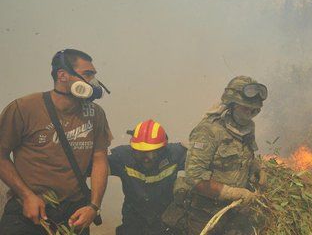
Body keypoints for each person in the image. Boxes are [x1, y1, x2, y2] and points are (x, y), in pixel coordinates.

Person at [0, 49, 113, 234]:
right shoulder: (24, 108)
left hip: (74, 214)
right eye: (87, 74)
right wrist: (26, 196)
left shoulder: (96, 114)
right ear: (62, 75)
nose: (93, 81)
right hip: (29, 210)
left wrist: (93, 206)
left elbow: (100, 158)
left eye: (93, 75)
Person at [173, 76, 267, 235]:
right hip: (205, 215)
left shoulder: (248, 128)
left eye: (255, 110)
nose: (250, 114)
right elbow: (194, 178)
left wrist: (257, 168)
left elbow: (244, 156)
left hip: (234, 214)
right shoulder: (209, 131)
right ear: (233, 104)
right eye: (246, 108)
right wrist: (233, 193)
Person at [108, 119, 187, 235]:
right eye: (139, 153)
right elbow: (91, 167)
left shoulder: (174, 155)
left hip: (167, 223)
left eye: (151, 153)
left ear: (162, 150)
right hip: (133, 224)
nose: (146, 158)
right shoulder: (122, 157)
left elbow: (202, 163)